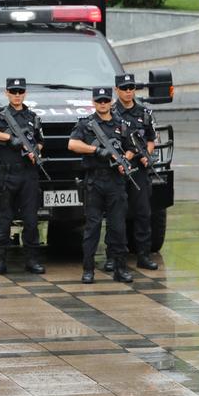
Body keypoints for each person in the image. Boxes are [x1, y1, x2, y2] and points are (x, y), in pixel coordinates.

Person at [68, 87, 138, 284]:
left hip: (116, 181)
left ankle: (120, 268)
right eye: (99, 101)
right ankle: (88, 270)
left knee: (118, 227)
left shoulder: (120, 124)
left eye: (106, 100)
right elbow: (72, 144)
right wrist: (96, 150)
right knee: (92, 228)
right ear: (94, 103)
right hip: (95, 181)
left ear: (110, 102)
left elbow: (132, 148)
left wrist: (124, 160)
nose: (103, 104)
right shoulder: (87, 125)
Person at [0, 78, 45, 276]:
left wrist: (34, 150)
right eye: (13, 91)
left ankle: (32, 260)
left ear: (25, 93)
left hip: (28, 174)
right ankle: (0, 261)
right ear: (6, 92)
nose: (17, 95)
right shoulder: (0, 115)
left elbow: (40, 141)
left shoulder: (32, 117)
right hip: (7, 173)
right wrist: (10, 138)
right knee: (3, 219)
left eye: (20, 91)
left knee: (31, 220)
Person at [109, 73, 158, 271]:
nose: (128, 91)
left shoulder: (144, 112)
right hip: (118, 170)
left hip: (138, 168)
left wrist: (147, 153)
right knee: (116, 215)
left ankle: (143, 255)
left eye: (131, 88)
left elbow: (151, 139)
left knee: (143, 213)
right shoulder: (110, 112)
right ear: (116, 90)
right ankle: (114, 256)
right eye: (124, 88)